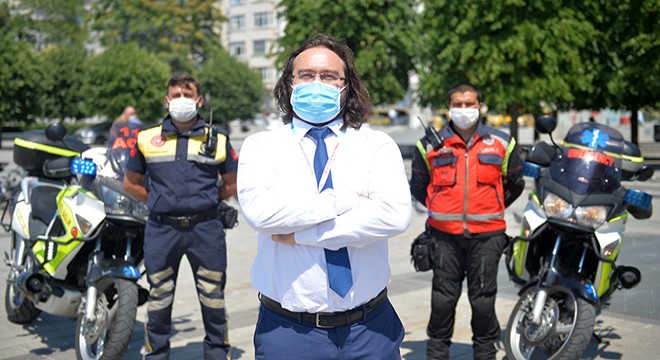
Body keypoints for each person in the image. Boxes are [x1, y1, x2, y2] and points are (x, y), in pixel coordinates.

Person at [236, 34, 412, 360]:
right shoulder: (262, 147)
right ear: (289, 83)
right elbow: (262, 214)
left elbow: (394, 215)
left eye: (329, 76)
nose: (317, 83)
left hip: (369, 329)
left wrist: (304, 233)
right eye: (306, 75)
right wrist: (346, 201)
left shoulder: (376, 146)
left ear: (347, 86)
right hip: (289, 331)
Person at [123, 74, 238, 359]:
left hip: (206, 229)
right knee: (158, 298)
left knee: (213, 298)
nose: (181, 101)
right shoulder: (147, 138)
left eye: (187, 95)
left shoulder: (218, 139)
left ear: (199, 101)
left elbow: (233, 183)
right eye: (176, 95)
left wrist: (208, 202)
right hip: (162, 230)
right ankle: (157, 354)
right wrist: (159, 202)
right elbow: (130, 182)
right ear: (167, 100)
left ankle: (216, 354)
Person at [410, 83, 525, 360]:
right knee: (442, 300)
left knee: (484, 302)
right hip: (443, 238)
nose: (464, 109)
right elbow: (418, 186)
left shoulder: (501, 142)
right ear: (449, 107)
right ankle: (437, 354)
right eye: (458, 104)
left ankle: (484, 354)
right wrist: (443, 210)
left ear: (480, 106)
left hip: (488, 237)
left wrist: (489, 207)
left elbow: (516, 183)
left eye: (469, 104)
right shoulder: (429, 144)